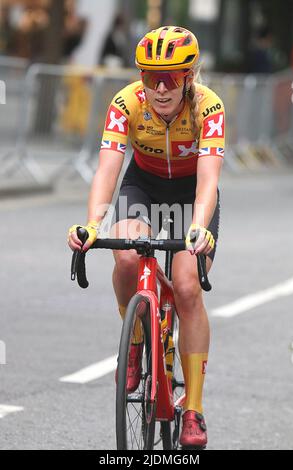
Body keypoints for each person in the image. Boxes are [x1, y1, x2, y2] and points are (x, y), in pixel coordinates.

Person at [68, 26, 225, 449]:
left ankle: (192, 408)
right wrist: (92, 225)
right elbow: (107, 169)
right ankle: (136, 338)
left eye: (170, 77)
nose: (158, 88)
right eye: (148, 76)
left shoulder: (209, 107)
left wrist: (197, 227)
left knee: (188, 286)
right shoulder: (126, 103)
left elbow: (208, 180)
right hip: (143, 186)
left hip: (192, 193)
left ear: (190, 76)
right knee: (123, 257)